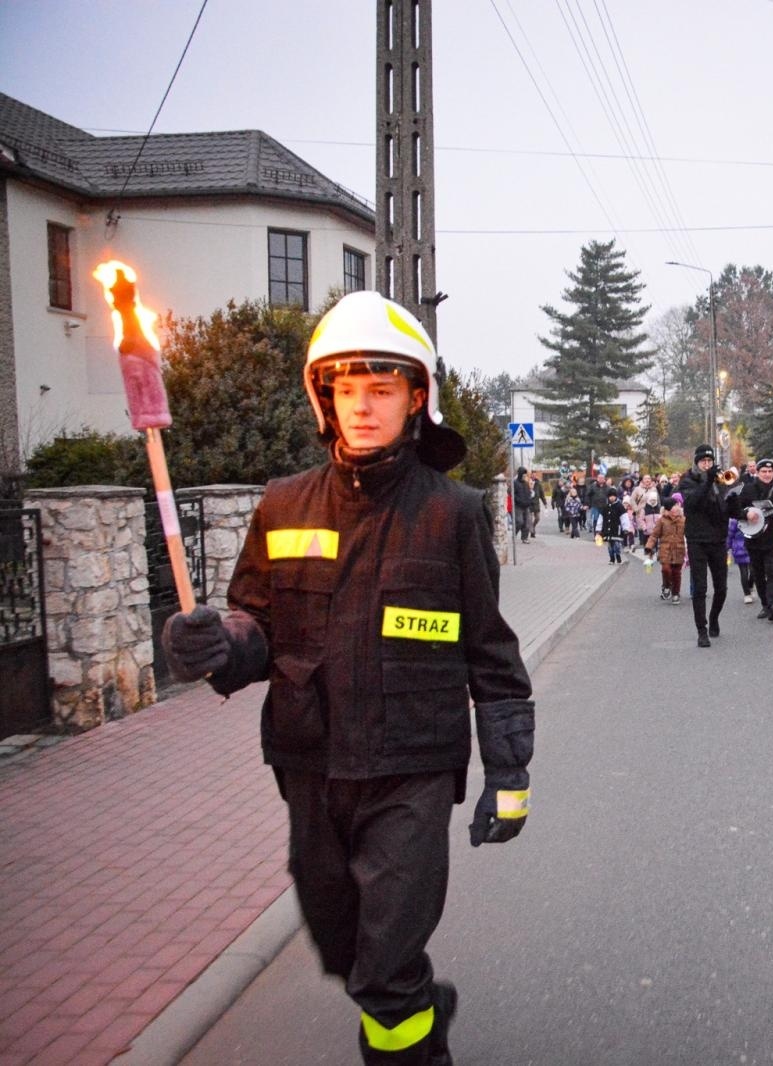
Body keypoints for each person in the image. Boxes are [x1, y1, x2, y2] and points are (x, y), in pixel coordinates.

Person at [158, 291, 535, 1065]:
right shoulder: (283, 505)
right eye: (347, 389)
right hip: (311, 766)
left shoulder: (453, 514)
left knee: (385, 971)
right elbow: (256, 626)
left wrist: (510, 773)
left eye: (382, 388)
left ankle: (410, 1037)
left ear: (416, 398)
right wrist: (215, 646)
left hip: (410, 771)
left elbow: (491, 656)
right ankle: (417, 1005)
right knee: (344, 950)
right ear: (323, 398)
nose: (362, 406)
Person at [681, 444, 735, 648]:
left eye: (709, 461)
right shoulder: (688, 480)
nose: (706, 464)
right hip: (697, 540)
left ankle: (713, 617)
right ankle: (701, 631)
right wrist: (707, 481)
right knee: (700, 588)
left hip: (718, 540)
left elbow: (729, 510)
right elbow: (692, 503)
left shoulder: (720, 482)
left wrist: (735, 500)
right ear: (697, 463)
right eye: (703, 461)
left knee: (721, 588)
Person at [740, 458, 773, 621]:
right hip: (753, 539)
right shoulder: (748, 489)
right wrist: (746, 514)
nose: (767, 474)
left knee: (772, 571)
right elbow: (735, 509)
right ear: (757, 472)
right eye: (764, 471)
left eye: (770, 471)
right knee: (758, 574)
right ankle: (765, 605)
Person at [647, 492, 686, 603]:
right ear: (669, 509)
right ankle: (666, 586)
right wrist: (649, 546)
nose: (677, 507)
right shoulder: (662, 520)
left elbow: (690, 534)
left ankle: (676, 593)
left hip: (679, 550)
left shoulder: (683, 520)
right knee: (666, 570)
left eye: (677, 505)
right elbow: (654, 535)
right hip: (665, 550)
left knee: (676, 573)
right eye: (674, 505)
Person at [600, 488, 625, 564]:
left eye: (613, 496)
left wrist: (625, 527)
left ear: (616, 496)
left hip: (616, 528)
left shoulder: (620, 506)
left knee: (616, 544)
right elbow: (601, 518)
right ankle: (612, 558)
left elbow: (624, 517)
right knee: (610, 545)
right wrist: (599, 528)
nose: (612, 498)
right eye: (610, 496)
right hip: (607, 528)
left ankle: (618, 556)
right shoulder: (605, 507)